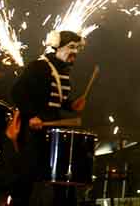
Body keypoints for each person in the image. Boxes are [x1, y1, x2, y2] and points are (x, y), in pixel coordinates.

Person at [10, 30, 86, 205]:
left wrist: (70, 105)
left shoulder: (63, 70)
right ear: (57, 47)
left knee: (62, 177)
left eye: (77, 48)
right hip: (33, 130)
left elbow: (54, 100)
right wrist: (31, 115)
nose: (75, 52)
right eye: (71, 47)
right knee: (27, 178)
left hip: (52, 129)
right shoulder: (39, 66)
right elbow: (17, 92)